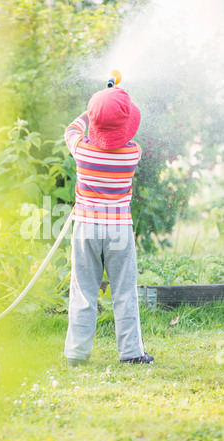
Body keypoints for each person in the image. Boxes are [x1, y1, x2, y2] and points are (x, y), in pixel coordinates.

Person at [63, 85, 154, 366]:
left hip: (86, 229)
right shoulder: (132, 154)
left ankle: (77, 354)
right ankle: (131, 353)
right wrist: (113, 104)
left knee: (84, 290)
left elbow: (72, 129)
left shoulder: (82, 151)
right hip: (119, 231)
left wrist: (95, 109)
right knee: (124, 291)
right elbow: (125, 127)